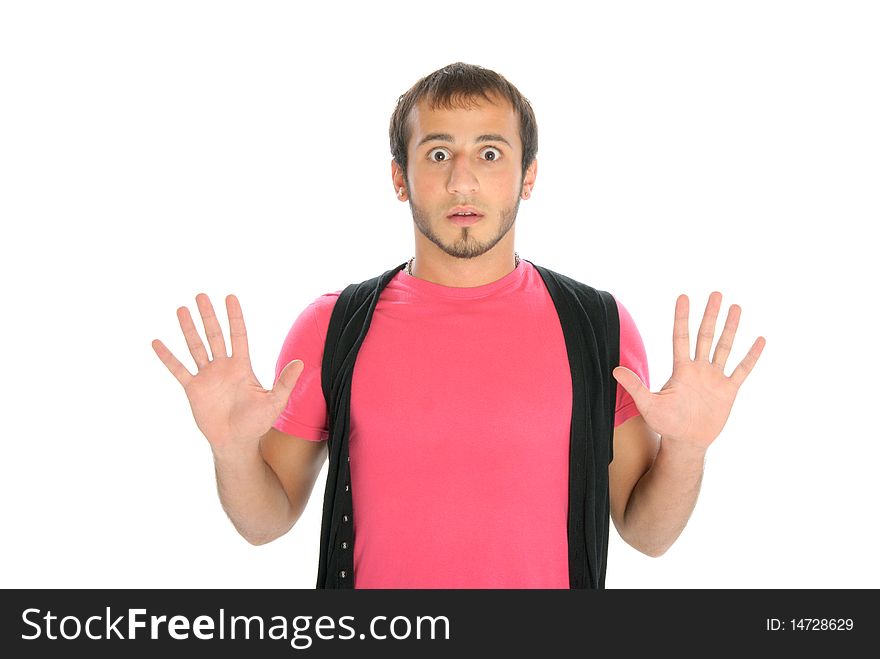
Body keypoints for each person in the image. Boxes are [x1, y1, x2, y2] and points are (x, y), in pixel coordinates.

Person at [151, 62, 765, 588]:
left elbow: (646, 534)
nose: (462, 179)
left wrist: (687, 449)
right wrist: (231, 450)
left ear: (528, 176)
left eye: (490, 153)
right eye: (438, 152)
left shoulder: (596, 326)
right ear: (400, 177)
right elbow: (265, 523)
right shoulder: (333, 327)